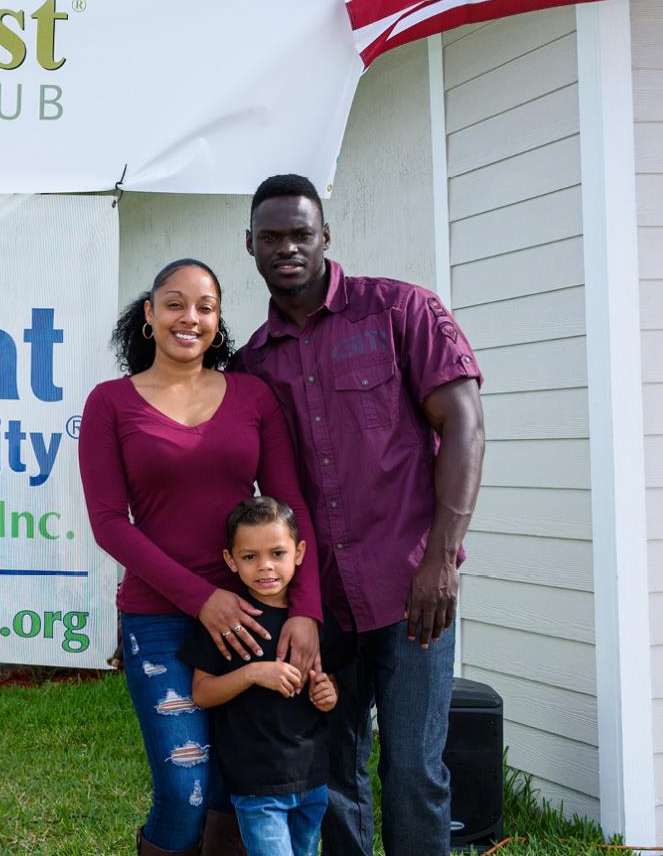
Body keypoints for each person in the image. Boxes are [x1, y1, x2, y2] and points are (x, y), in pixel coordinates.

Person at [230, 174, 485, 856]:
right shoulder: (254, 362)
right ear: (250, 245)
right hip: (325, 602)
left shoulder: (401, 311)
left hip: (412, 592)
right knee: (333, 768)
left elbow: (464, 424)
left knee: (413, 769)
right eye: (272, 236)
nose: (287, 247)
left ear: (325, 237)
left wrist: (442, 557)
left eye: (300, 233)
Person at [77, 258, 325, 856]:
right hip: (159, 619)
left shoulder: (252, 396)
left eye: (206, 306)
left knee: (235, 785)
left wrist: (304, 610)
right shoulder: (110, 403)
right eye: (175, 303)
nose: (190, 317)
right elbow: (109, 523)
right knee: (185, 790)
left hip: (252, 618)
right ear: (149, 315)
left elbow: (292, 509)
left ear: (218, 320)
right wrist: (201, 597)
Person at [181, 497, 341, 856]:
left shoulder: (314, 620)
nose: (265, 567)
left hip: (313, 777)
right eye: (250, 556)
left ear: (299, 553)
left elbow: (330, 680)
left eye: (277, 553)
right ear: (230, 560)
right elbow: (202, 693)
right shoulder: (227, 621)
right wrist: (253, 673)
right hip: (257, 784)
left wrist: (328, 692)